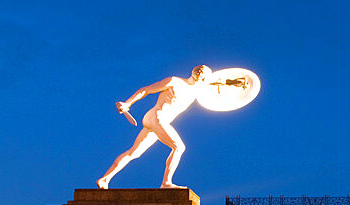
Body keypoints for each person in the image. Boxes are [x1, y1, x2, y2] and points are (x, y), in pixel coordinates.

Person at [96, 65, 245, 189]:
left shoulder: (198, 89)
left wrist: (240, 83)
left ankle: (105, 179)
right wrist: (128, 103)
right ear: (195, 74)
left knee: (134, 153)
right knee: (179, 147)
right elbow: (146, 90)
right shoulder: (175, 82)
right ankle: (166, 183)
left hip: (156, 120)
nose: (202, 78)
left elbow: (220, 82)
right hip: (157, 118)